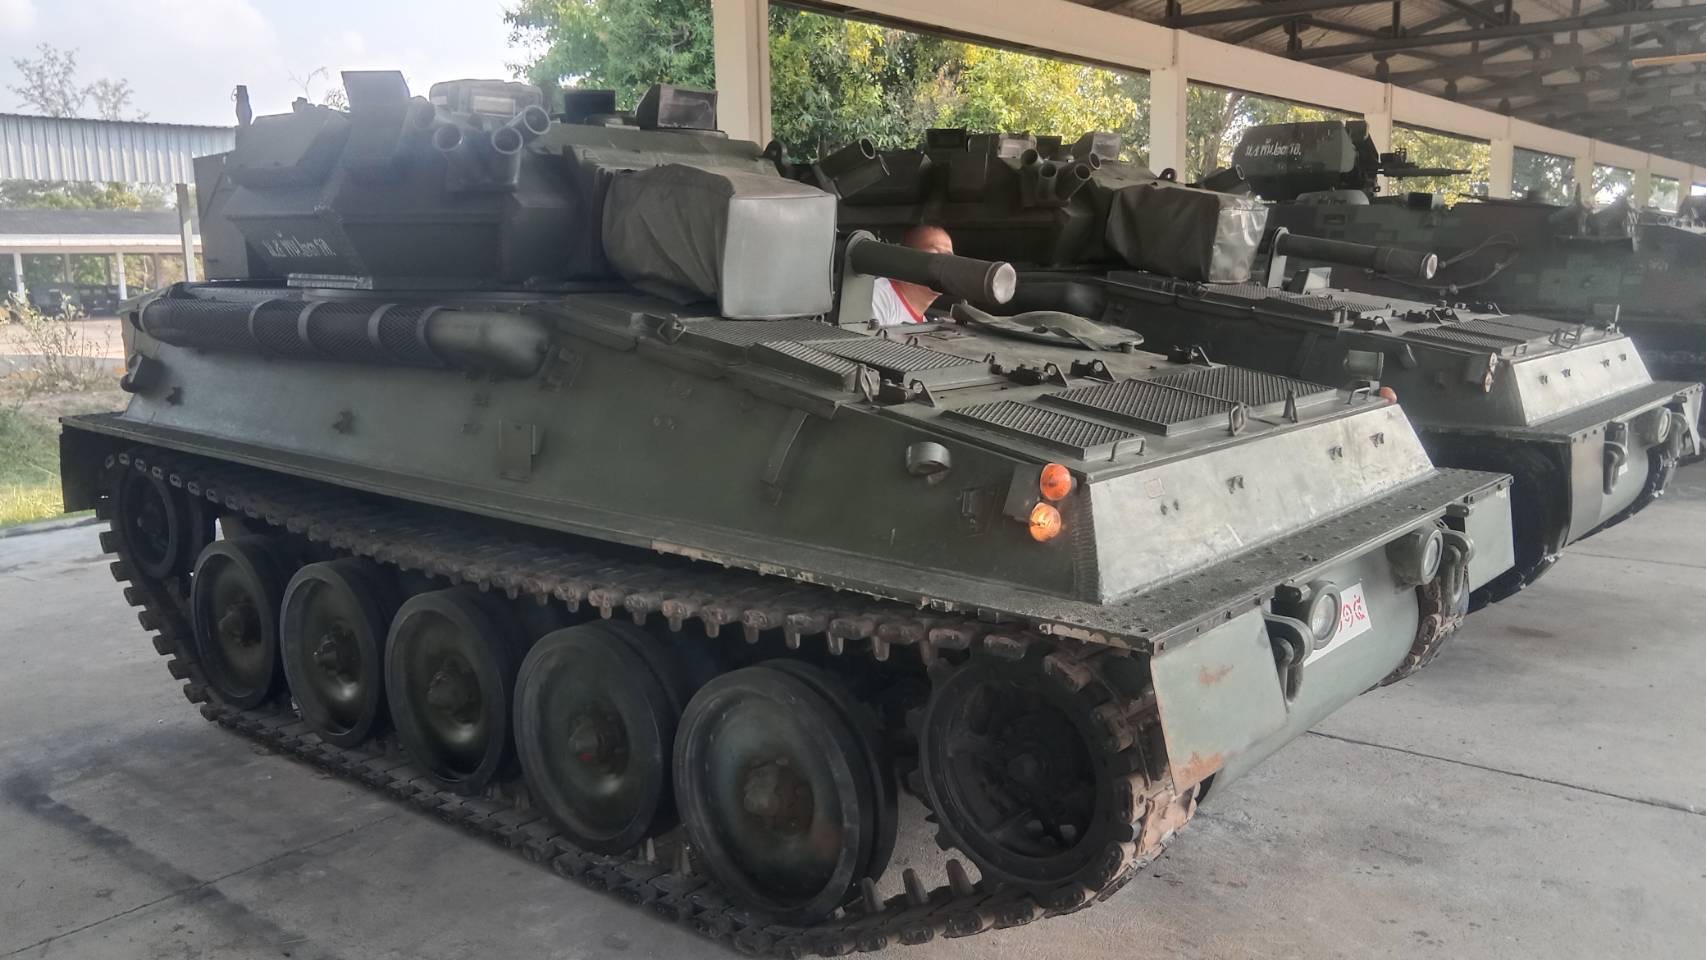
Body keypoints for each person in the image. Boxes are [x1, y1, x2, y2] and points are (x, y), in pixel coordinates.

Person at [870, 224, 953, 327]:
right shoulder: (877, 299)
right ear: (907, 259)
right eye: (934, 253)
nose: (944, 263)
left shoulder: (923, 322)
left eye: (949, 257)